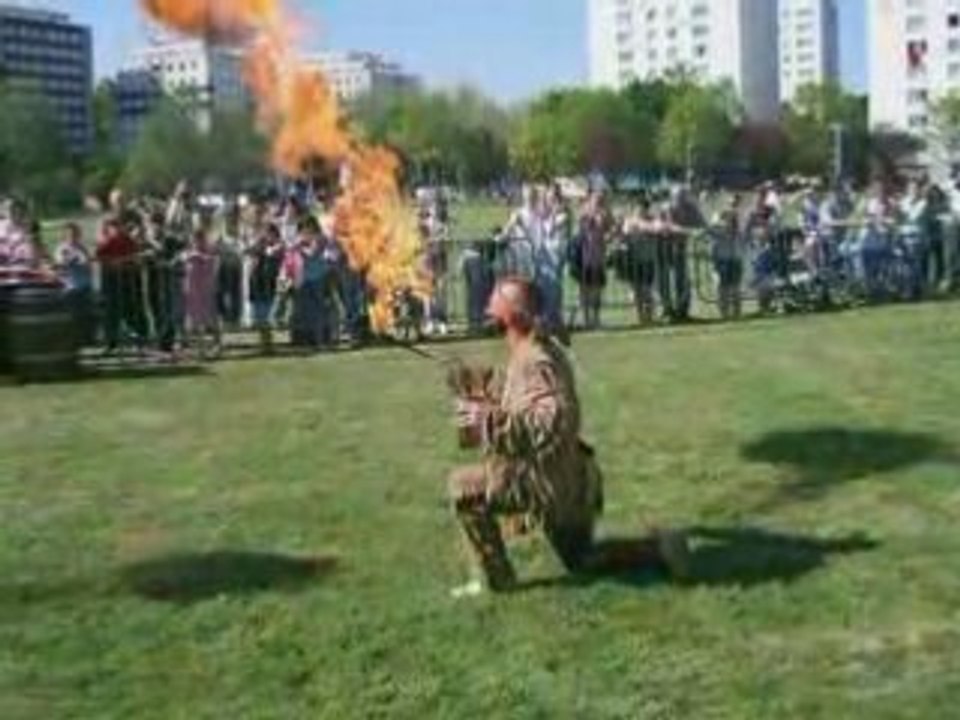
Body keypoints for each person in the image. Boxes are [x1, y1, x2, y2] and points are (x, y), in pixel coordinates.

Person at [447, 277, 689, 597]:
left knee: (463, 488)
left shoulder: (535, 359)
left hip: (549, 483)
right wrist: (488, 400)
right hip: (571, 480)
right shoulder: (530, 351)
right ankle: (659, 551)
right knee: (582, 561)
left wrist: (489, 419)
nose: (488, 304)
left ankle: (496, 580)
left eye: (495, 300)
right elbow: (528, 409)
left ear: (512, 313)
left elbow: (552, 420)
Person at [96, 216, 148, 354]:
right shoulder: (107, 241)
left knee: (132, 311)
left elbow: (136, 255)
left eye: (118, 226)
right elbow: (99, 256)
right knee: (111, 313)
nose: (117, 229)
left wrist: (126, 260)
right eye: (113, 227)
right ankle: (110, 343)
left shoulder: (128, 240)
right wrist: (112, 262)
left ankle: (139, 341)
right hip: (111, 282)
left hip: (127, 280)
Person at [182, 227, 221, 359]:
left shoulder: (209, 253)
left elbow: (212, 262)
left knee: (211, 320)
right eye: (195, 240)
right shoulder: (189, 253)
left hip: (206, 291)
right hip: (193, 292)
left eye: (200, 239)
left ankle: (217, 346)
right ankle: (201, 349)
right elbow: (183, 260)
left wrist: (202, 256)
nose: (197, 242)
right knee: (196, 322)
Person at [575, 191, 611, 330]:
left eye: (601, 199)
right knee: (585, 290)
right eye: (597, 199)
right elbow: (582, 224)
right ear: (590, 200)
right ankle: (586, 320)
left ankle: (596, 319)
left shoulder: (604, 213)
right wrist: (592, 215)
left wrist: (609, 232)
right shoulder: (585, 213)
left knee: (597, 291)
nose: (599, 202)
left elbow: (610, 228)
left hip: (599, 259)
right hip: (585, 259)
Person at [55, 222, 95, 345]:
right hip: (69, 287)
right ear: (65, 234)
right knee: (71, 315)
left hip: (84, 285)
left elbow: (88, 264)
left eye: (75, 233)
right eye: (70, 233)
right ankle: (73, 338)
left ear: (79, 235)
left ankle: (87, 338)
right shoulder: (61, 248)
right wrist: (69, 261)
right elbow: (60, 265)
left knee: (86, 314)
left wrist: (81, 258)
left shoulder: (83, 248)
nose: (72, 236)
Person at [248, 223, 284, 354]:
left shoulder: (278, 246)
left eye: (269, 233)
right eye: (265, 232)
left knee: (267, 314)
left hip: (269, 283)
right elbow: (250, 253)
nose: (267, 236)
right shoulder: (259, 246)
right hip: (257, 282)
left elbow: (273, 253)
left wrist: (264, 248)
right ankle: (264, 343)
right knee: (259, 314)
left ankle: (268, 344)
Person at [711, 197, 745, 321]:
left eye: (735, 202)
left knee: (735, 288)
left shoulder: (737, 222)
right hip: (721, 260)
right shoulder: (718, 221)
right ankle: (724, 315)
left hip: (734, 258)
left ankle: (737, 314)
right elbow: (712, 227)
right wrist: (721, 220)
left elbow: (741, 232)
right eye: (732, 202)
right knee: (722, 288)